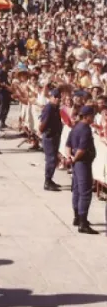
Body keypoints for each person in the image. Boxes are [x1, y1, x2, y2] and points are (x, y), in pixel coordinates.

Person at [65, 106, 99, 234]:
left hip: (76, 163)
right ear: (87, 116)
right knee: (85, 193)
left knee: (77, 190)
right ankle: (83, 223)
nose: (93, 117)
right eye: (92, 115)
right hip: (82, 163)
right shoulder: (85, 130)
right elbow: (82, 149)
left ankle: (77, 217)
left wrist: (69, 157)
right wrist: (74, 159)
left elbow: (68, 145)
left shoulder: (76, 128)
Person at [39, 88, 62, 192]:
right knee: (51, 159)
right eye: (55, 97)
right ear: (51, 97)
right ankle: (47, 182)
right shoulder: (49, 108)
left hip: (55, 135)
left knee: (53, 159)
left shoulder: (55, 107)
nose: (57, 99)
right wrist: (43, 131)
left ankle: (50, 179)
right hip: (49, 136)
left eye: (59, 97)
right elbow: (43, 123)